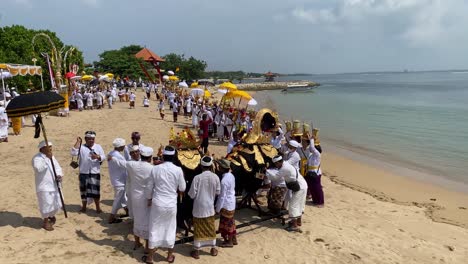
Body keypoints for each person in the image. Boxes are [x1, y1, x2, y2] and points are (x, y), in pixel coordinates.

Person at [145, 146, 186, 264]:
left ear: (163, 156)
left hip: (157, 202)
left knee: (154, 228)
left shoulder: (155, 169)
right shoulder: (178, 170)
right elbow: (182, 187)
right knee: (170, 228)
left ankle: (150, 257)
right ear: (173, 157)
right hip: (171, 204)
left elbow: (149, 187)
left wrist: (148, 198)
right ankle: (169, 256)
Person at [109, 146, 154, 252]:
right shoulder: (152, 168)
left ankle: (137, 242)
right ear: (150, 157)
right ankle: (147, 246)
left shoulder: (131, 165)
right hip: (146, 198)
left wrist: (112, 158)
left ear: (140, 155)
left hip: (134, 196)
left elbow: (121, 163)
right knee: (147, 221)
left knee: (136, 219)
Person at [188, 156, 221, 259]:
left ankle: (197, 251)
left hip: (199, 206)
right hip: (209, 206)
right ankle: (213, 248)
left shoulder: (197, 178)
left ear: (201, 166)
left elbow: (192, 194)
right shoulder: (215, 177)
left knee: (198, 228)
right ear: (211, 166)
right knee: (211, 228)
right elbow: (218, 192)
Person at [71, 131, 106, 213]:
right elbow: (73, 152)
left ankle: (98, 207)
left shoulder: (98, 147)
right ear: (85, 139)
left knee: (96, 191)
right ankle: (84, 207)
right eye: (89, 139)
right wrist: (78, 142)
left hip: (95, 172)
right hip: (84, 172)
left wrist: (98, 157)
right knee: (83, 191)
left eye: (93, 139)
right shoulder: (81, 147)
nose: (91, 140)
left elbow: (103, 156)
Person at [32, 140, 63, 231]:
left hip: (54, 184)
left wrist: (59, 175)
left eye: (51, 148)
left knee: (56, 202)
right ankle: (45, 222)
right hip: (44, 186)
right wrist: (46, 159)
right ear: (42, 149)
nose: (50, 150)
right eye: (48, 148)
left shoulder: (52, 157)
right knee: (46, 203)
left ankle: (51, 216)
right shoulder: (37, 158)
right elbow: (38, 169)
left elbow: (57, 167)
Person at [273, 155, 307, 233]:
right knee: (300, 204)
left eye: (276, 164)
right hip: (302, 184)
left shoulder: (284, 168)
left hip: (299, 187)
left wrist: (267, 173)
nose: (275, 165)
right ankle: (298, 221)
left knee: (293, 205)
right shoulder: (286, 164)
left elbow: (275, 177)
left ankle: (294, 226)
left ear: (278, 162)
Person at [215, 159, 237, 248]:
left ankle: (229, 241)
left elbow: (222, 196)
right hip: (231, 202)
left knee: (226, 224)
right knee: (231, 222)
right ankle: (233, 239)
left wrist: (217, 208)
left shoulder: (224, 181)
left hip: (226, 204)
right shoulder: (231, 175)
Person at [107, 138, 129, 224]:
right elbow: (126, 165)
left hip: (115, 180)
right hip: (120, 181)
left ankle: (128, 212)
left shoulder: (110, 153)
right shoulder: (118, 156)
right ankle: (111, 217)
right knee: (117, 200)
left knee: (124, 198)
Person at [304, 138, 324, 206]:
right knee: (312, 187)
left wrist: (311, 139)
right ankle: (315, 200)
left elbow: (312, 147)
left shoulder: (317, 154)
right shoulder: (311, 155)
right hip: (310, 172)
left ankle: (320, 202)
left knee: (317, 188)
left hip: (316, 173)